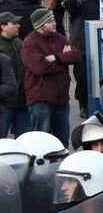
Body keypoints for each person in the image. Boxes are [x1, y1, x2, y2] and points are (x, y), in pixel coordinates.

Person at [20, 9, 80, 144]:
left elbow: (75, 54)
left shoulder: (58, 37)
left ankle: (60, 164)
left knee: (62, 141)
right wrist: (64, 61)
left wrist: (56, 57)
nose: (55, 23)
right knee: (41, 141)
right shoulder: (29, 43)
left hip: (61, 99)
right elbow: (39, 67)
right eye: (50, 21)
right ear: (41, 25)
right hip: (41, 100)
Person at [0, 11, 28, 136]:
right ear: (3, 26)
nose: (18, 26)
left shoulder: (19, 43)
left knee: (24, 143)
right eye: (14, 23)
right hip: (5, 105)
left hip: (23, 103)